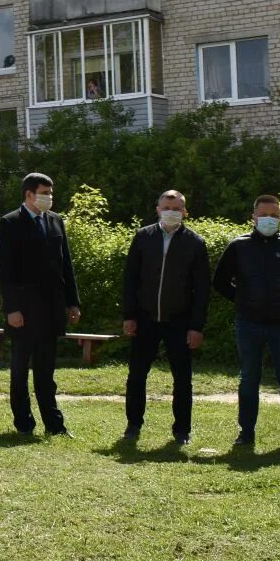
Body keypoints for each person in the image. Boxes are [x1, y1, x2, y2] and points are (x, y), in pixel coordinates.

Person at [213, 194, 280, 448]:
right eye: (264, 215)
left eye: (274, 215)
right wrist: (241, 300)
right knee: (249, 379)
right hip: (248, 324)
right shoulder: (239, 246)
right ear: (253, 217)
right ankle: (246, 433)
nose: (269, 219)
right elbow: (219, 282)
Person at [120, 190, 210, 445]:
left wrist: (196, 326)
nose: (172, 212)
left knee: (182, 378)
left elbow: (202, 289)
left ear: (185, 212)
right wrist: (129, 315)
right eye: (167, 207)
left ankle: (182, 431)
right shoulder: (142, 237)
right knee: (136, 375)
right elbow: (130, 279)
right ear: (158, 209)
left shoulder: (195, 242)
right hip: (144, 318)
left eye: (177, 208)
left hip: (179, 322)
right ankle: (133, 425)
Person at [0, 173, 81, 436]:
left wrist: (72, 302)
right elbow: (5, 270)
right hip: (23, 311)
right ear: (29, 194)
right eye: (44, 192)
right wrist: (12, 308)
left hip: (51, 309)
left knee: (46, 372)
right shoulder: (10, 223)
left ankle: (54, 425)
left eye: (51, 193)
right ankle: (24, 423)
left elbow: (65, 264)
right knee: (20, 372)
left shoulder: (56, 221)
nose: (49, 197)